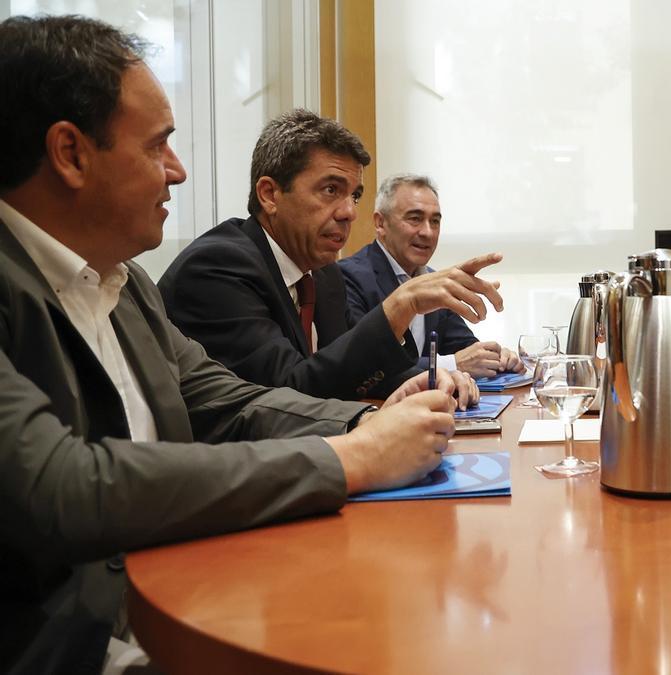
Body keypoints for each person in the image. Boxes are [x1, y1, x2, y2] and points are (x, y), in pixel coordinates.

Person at [0, 15, 467, 673]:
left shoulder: (124, 282)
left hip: (179, 591)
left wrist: (368, 421)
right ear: (71, 152)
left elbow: (234, 404)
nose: (179, 170)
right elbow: (64, 486)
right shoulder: (215, 263)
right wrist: (353, 457)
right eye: (158, 145)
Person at [158, 111, 490, 403]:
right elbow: (289, 394)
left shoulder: (323, 275)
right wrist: (400, 306)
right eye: (331, 190)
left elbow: (349, 369)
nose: (349, 213)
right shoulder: (217, 269)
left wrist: (428, 380)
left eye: (354, 195)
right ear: (270, 194)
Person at [339, 174, 522, 379]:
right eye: (415, 218)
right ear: (380, 223)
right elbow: (363, 362)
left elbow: (464, 346)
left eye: (435, 221)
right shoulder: (347, 277)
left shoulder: (435, 281)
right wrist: (452, 364)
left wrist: (495, 356)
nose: (428, 232)